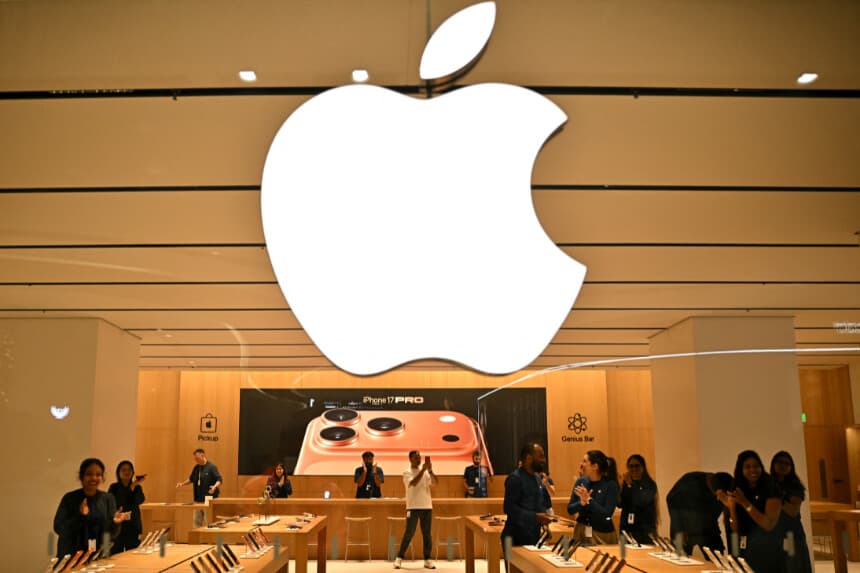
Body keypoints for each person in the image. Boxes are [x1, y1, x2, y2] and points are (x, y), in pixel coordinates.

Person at [54, 458, 131, 558]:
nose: (94, 478)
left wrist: (115, 523)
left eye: (98, 474)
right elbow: (59, 528)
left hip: (98, 555)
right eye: (89, 474)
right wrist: (80, 516)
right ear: (81, 476)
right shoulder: (70, 498)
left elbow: (110, 534)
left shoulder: (108, 498)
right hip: (72, 555)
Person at [719, 450, 781, 572]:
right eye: (747, 467)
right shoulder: (738, 488)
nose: (753, 470)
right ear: (741, 470)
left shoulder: (770, 487)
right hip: (744, 548)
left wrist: (744, 502)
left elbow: (768, 525)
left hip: (767, 548)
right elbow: (734, 528)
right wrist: (731, 507)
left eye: (756, 466)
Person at [667, 470, 733, 556]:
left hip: (708, 526)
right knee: (680, 558)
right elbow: (671, 499)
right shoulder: (689, 481)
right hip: (684, 527)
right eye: (717, 496)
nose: (718, 498)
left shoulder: (725, 489)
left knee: (717, 557)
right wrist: (679, 528)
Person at [501, 443, 554, 548]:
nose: (544, 460)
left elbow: (539, 504)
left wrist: (544, 524)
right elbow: (509, 508)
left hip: (533, 538)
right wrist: (535, 517)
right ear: (529, 458)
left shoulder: (537, 478)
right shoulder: (515, 479)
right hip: (513, 539)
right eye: (540, 456)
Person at [394, 450, 438, 570]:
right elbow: (413, 483)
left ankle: (427, 559)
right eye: (416, 457)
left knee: (427, 534)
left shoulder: (426, 472)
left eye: (419, 457)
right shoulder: (407, 472)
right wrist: (423, 470)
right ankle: (399, 558)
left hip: (427, 506)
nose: (418, 459)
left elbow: (435, 483)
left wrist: (430, 471)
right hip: (413, 507)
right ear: (410, 459)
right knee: (409, 533)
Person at [770, 451, 813, 573]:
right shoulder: (767, 483)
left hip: (791, 534)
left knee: (793, 567)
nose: (783, 466)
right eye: (780, 462)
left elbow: (793, 511)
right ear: (773, 464)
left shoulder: (795, 486)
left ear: (791, 467)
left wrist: (777, 498)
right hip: (773, 535)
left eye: (787, 463)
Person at [567, 450, 619, 544]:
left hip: (602, 533)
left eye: (585, 461)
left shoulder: (610, 485)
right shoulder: (581, 482)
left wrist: (589, 500)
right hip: (582, 530)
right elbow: (570, 510)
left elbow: (607, 514)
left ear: (595, 466)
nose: (581, 464)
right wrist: (581, 503)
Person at [175, 448, 222, 527]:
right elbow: (191, 479)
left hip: (208, 500)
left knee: (209, 523)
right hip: (197, 500)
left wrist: (214, 486)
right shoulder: (196, 468)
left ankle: (209, 535)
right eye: (195, 458)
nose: (196, 460)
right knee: (196, 522)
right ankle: (197, 535)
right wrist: (182, 484)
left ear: (202, 455)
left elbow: (219, 480)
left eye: (197, 458)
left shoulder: (211, 467)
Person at [618, 454, 658, 545]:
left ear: (643, 467)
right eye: (631, 466)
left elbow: (641, 501)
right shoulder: (626, 483)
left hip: (644, 528)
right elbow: (620, 504)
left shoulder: (650, 484)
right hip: (627, 527)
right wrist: (620, 487)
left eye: (637, 466)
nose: (634, 469)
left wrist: (630, 485)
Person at [107, 460, 146, 553]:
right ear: (118, 472)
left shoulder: (137, 487)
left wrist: (133, 486)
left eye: (129, 469)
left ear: (133, 472)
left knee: (133, 554)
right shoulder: (114, 487)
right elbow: (118, 502)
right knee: (116, 553)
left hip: (133, 525)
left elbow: (139, 500)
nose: (127, 472)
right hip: (118, 526)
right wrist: (131, 488)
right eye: (123, 470)